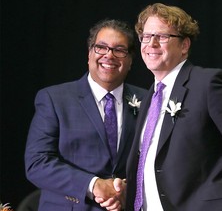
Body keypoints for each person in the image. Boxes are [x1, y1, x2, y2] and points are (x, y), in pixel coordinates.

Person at [125, 3, 222, 211]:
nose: (152, 43)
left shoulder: (208, 84)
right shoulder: (151, 94)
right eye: (146, 36)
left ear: (184, 45)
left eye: (163, 36)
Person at [25, 19, 147, 211]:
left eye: (119, 50)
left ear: (130, 60)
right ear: (89, 53)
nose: (109, 55)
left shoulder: (147, 100)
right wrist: (93, 185)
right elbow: (37, 163)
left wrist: (128, 190)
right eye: (101, 47)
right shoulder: (55, 99)